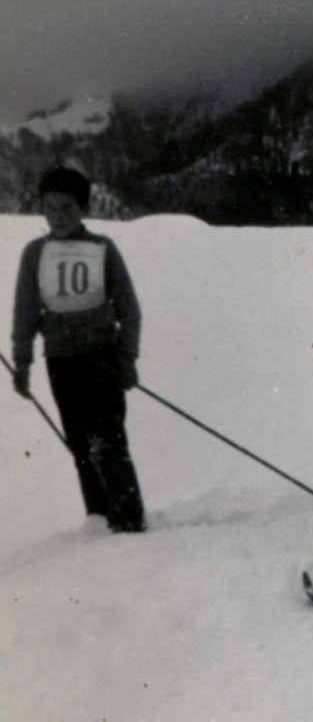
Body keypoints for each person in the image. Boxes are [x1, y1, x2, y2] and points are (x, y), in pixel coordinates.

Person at [11, 166, 146, 533]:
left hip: (101, 359)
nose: (58, 216)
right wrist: (22, 363)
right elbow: (25, 312)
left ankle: (130, 521)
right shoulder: (34, 253)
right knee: (80, 446)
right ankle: (100, 520)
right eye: (50, 207)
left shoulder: (102, 249)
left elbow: (129, 308)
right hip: (60, 362)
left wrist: (126, 357)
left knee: (109, 443)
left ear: (83, 209)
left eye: (67, 208)